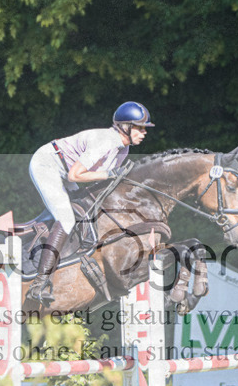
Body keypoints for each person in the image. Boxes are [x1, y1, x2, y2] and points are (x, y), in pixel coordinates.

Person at [25, 101, 154, 304]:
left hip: (65, 171)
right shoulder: (106, 142)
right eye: (140, 127)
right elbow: (75, 175)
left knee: (84, 211)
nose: (144, 132)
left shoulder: (123, 150)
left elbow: (101, 181)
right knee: (67, 220)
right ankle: (39, 283)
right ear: (125, 127)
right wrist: (110, 173)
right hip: (48, 164)